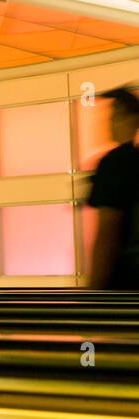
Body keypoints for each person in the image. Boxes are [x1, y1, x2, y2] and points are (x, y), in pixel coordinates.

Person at [88, 87, 139, 289]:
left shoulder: (114, 163)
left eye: (115, 114)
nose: (109, 122)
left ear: (131, 118)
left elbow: (107, 233)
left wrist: (94, 290)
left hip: (124, 285)